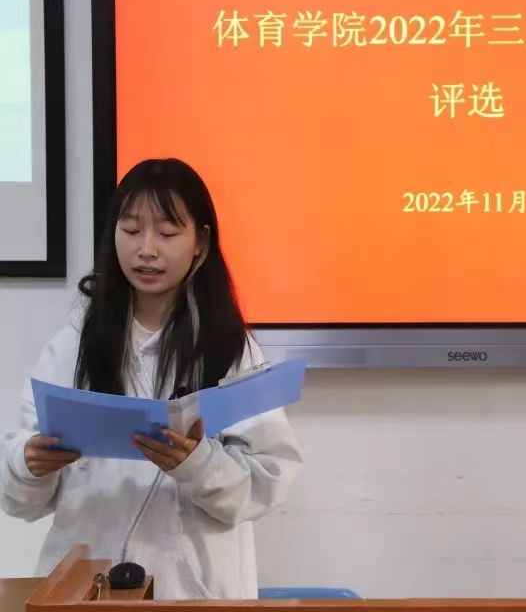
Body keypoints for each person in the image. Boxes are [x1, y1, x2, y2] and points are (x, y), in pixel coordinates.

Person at [0, 158, 302, 599]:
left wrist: (197, 465)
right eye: (131, 230)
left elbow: (267, 483)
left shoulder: (230, 350)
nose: (146, 249)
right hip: (84, 594)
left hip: (192, 594)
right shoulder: (73, 344)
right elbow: (19, 499)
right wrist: (28, 465)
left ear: (200, 242)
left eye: (167, 233)